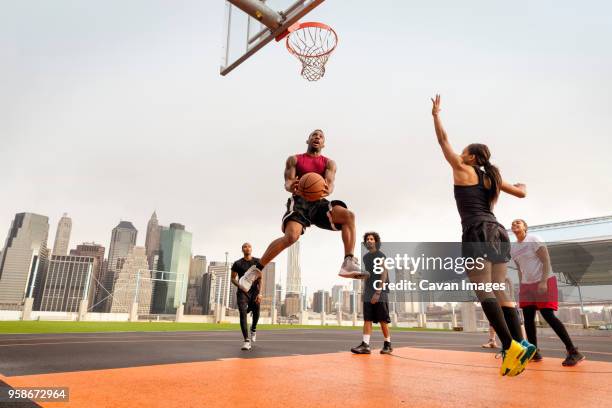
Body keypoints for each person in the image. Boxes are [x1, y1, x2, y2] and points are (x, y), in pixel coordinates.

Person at [430, 94, 536, 376]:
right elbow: (523, 191)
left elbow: (442, 141)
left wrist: (436, 115)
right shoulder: (493, 178)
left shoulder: (463, 169)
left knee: (483, 289)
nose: (460, 154)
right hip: (498, 232)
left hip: (476, 230)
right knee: (500, 288)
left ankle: (509, 346)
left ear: (472, 157)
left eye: (465, 151)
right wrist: (520, 182)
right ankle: (521, 342)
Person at [238, 129, 365, 292]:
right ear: (308, 140)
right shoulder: (295, 159)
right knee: (291, 237)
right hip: (300, 201)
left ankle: (348, 261)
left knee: (349, 216)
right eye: (314, 135)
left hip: (319, 203)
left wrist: (328, 189)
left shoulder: (329, 163)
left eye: (320, 136)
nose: (317, 137)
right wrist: (293, 186)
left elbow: (331, 184)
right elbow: (288, 183)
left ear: (323, 143)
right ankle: (254, 271)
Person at [510, 219, 585, 366]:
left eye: (518, 223)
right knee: (528, 318)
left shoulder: (534, 239)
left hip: (544, 280)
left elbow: (546, 260)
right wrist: (520, 286)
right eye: (513, 223)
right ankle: (534, 352)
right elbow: (520, 268)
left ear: (525, 227)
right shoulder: (513, 248)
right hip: (526, 285)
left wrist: (543, 281)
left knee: (547, 315)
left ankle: (574, 352)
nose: (515, 225)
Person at [351, 232, 393, 355]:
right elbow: (368, 274)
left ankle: (388, 344)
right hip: (369, 291)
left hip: (380, 290)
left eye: (371, 239)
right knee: (367, 318)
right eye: (367, 239)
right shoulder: (365, 257)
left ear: (376, 241)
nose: (369, 240)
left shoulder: (381, 255)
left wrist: (378, 291)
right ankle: (365, 345)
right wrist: (357, 274)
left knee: (382, 319)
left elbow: (384, 273)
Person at [231, 242, 262, 351]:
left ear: (251, 249)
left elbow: (260, 278)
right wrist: (240, 286)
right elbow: (233, 278)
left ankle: (253, 328)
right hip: (242, 292)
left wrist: (260, 293)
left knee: (257, 312)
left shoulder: (257, 261)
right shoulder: (237, 263)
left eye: (249, 246)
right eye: (244, 246)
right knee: (243, 313)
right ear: (242, 250)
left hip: (254, 292)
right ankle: (246, 341)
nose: (247, 248)